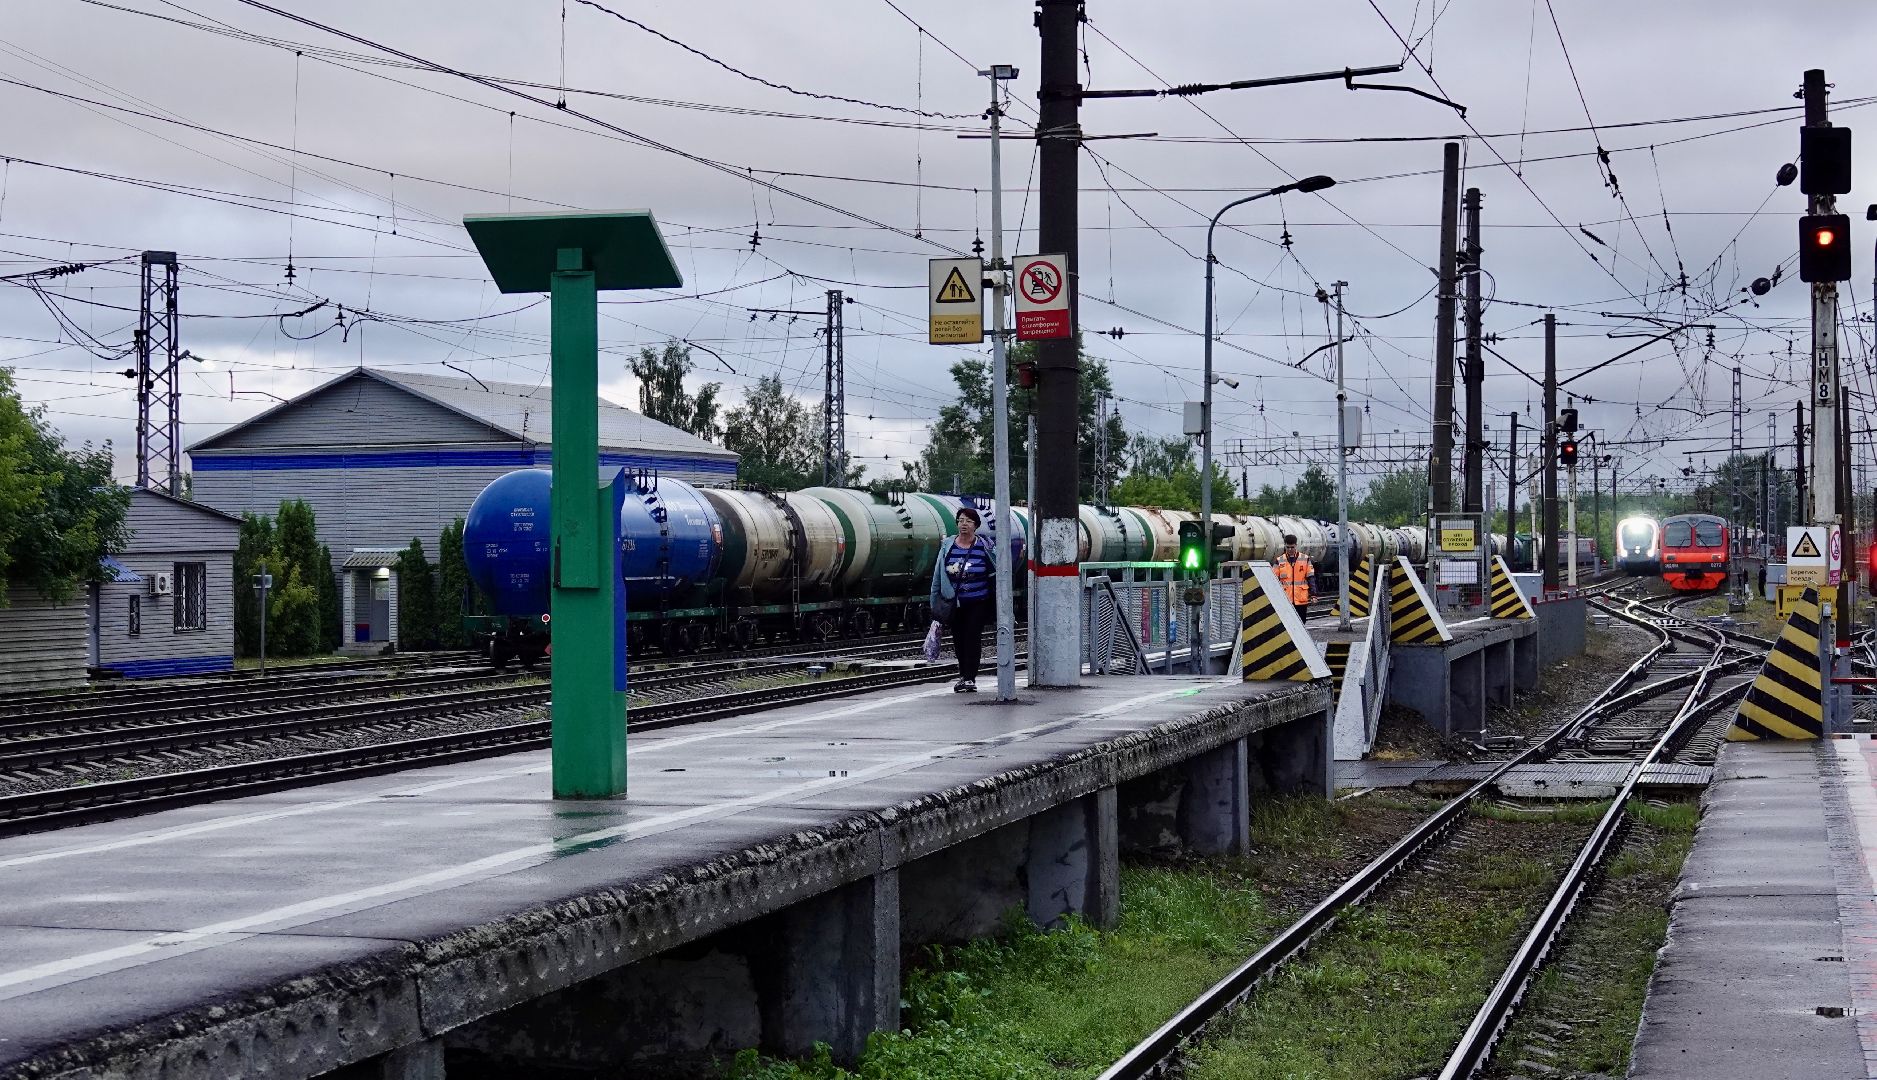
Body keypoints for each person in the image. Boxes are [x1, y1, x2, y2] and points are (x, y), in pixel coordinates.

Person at [930, 505, 996, 692]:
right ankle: (963, 675)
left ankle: (970, 678)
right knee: (958, 639)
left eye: (968, 521)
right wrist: (934, 601)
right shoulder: (948, 546)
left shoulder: (984, 546)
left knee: (972, 637)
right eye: (960, 521)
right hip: (954, 603)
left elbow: (995, 571)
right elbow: (938, 575)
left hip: (978, 601)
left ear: (975, 525)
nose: (963, 524)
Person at [1275, 533, 1314, 613]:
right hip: (1285, 599)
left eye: (1292, 547)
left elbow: (1311, 578)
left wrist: (1314, 595)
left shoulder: (1305, 559)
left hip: (1301, 598)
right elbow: (1274, 579)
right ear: (1285, 545)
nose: (1290, 549)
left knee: (1302, 622)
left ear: (1296, 545)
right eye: (1287, 547)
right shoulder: (1279, 560)